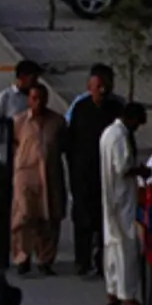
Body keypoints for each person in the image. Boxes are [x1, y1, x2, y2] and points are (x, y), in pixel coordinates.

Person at [64, 64, 125, 277]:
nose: (101, 91)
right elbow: (69, 140)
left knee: (105, 219)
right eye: (97, 86)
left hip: (107, 174)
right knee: (82, 218)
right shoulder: (79, 108)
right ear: (89, 87)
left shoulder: (117, 108)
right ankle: (82, 261)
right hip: (82, 173)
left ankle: (103, 262)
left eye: (105, 86)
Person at [11, 82, 68, 275]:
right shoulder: (19, 122)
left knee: (50, 216)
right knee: (23, 216)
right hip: (26, 174)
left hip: (50, 174)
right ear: (29, 100)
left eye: (42, 98)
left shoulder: (57, 122)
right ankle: (22, 257)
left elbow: (64, 146)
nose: (39, 103)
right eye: (34, 98)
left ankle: (45, 259)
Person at [100, 102, 150, 305]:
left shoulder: (108, 133)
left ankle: (112, 289)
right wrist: (141, 172)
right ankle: (127, 295)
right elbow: (123, 167)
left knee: (111, 244)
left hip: (110, 196)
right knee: (126, 246)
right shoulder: (120, 137)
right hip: (122, 198)